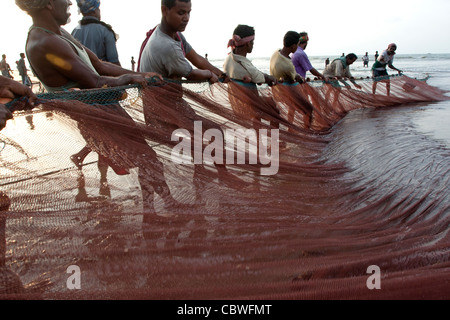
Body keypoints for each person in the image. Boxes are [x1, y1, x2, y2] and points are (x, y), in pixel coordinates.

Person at [15, 0, 179, 211]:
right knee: (149, 159)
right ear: (48, 4)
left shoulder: (59, 33)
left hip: (104, 107)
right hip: (95, 116)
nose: (69, 2)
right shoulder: (44, 42)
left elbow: (99, 65)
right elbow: (94, 81)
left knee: (148, 159)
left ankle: (154, 210)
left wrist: (141, 75)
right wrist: (128, 78)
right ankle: (165, 207)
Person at [138, 0, 228, 83]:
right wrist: (210, 74)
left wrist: (221, 75)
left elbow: (196, 58)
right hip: (160, 99)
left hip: (170, 97)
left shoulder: (174, 34)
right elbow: (191, 75)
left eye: (188, 13)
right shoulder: (167, 45)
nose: (187, 18)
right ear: (164, 10)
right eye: (181, 13)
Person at [71, 0, 121, 66]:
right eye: (98, 9)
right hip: (100, 75)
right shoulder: (105, 30)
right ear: (94, 12)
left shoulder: (74, 32)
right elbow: (114, 62)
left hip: (79, 74)